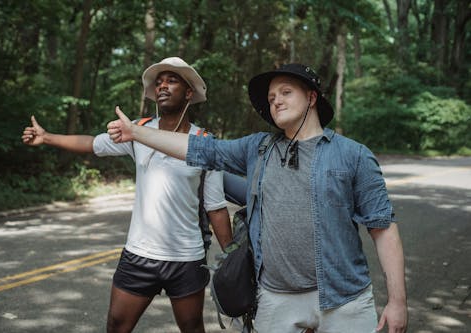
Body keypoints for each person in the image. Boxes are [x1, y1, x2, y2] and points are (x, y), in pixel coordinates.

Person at [106, 63, 408, 333]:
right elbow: (200, 149)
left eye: (285, 92)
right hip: (275, 299)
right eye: (272, 97)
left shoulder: (353, 155)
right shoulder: (257, 149)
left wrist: (397, 302)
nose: (275, 100)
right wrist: (136, 133)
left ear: (312, 97)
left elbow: (383, 228)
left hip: (344, 299)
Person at [22, 57, 232, 333]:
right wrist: (47, 137)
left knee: (192, 327)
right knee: (116, 325)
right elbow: (92, 143)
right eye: (158, 82)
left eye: (171, 80)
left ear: (189, 93)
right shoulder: (136, 130)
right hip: (139, 255)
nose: (162, 86)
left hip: (186, 257)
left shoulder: (205, 142)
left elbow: (215, 208)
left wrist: (232, 257)